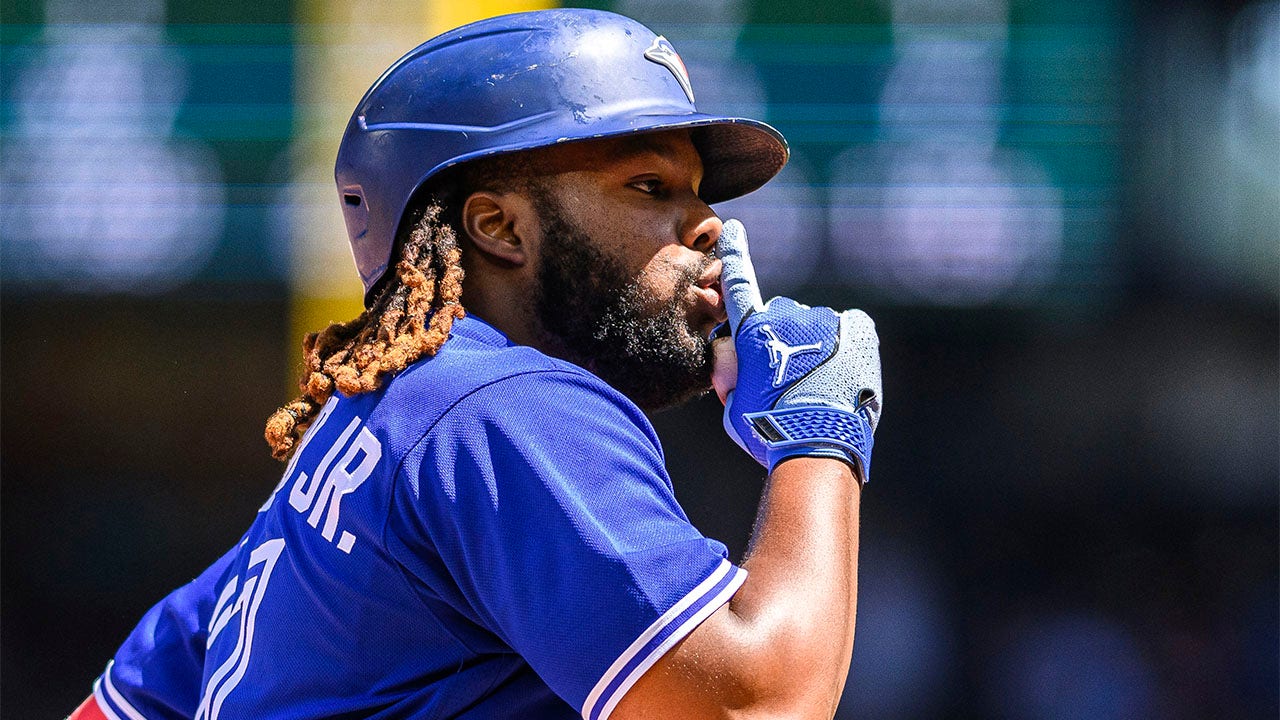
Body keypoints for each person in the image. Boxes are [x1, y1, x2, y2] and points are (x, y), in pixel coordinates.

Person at [68, 9, 881, 720]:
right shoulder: (504, 406)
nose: (707, 226)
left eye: (701, 193)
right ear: (499, 227)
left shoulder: (373, 429)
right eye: (648, 185)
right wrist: (818, 433)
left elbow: (126, 695)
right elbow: (754, 702)